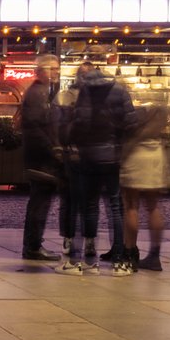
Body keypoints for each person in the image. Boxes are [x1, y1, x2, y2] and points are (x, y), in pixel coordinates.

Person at [61, 56, 136, 275]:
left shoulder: (86, 91)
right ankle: (119, 259)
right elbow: (131, 122)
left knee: (90, 205)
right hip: (113, 155)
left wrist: (73, 139)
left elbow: (81, 122)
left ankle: (89, 258)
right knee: (115, 206)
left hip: (89, 156)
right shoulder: (120, 91)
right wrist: (118, 139)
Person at [17, 54, 62, 262]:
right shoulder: (38, 94)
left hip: (39, 156)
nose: (57, 72)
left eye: (57, 69)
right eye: (53, 69)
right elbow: (36, 127)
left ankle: (33, 244)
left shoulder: (42, 92)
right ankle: (33, 246)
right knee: (39, 202)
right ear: (42, 71)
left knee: (40, 201)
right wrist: (52, 149)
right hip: (40, 159)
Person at [117, 105, 169, 275]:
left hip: (137, 153)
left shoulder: (135, 113)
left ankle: (129, 253)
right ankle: (155, 255)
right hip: (155, 152)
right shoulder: (158, 115)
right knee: (153, 207)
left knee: (131, 206)